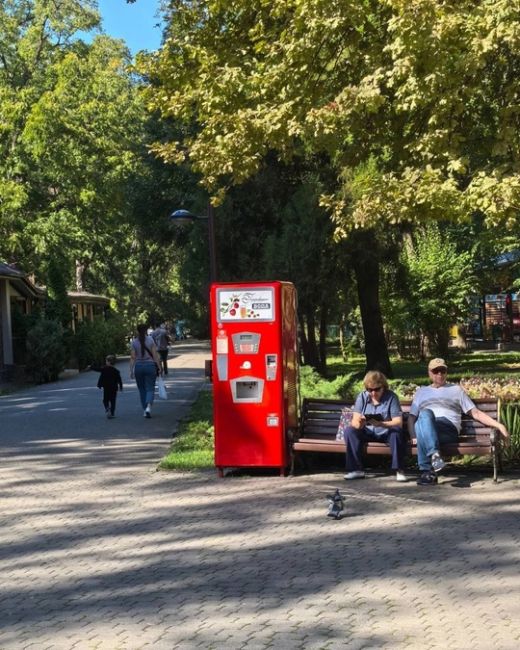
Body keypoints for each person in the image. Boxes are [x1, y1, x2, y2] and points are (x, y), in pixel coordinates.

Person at [408, 357, 510, 486]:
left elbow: (475, 413)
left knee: (423, 426)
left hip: (447, 429)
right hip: (426, 426)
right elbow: (412, 418)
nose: (440, 374)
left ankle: (427, 472)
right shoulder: (421, 392)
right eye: (436, 371)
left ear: (446, 372)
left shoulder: (456, 390)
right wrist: (413, 436)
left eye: (442, 371)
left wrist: (499, 425)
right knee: (425, 414)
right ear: (429, 372)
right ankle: (435, 456)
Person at [344, 370, 407, 482]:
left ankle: (399, 470)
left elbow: (398, 422)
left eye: (377, 389)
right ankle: (356, 470)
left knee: (396, 432)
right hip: (367, 431)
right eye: (370, 389)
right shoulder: (362, 397)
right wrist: (360, 423)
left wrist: (381, 424)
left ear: (383, 387)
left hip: (386, 432)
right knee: (350, 431)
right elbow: (354, 421)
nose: (373, 393)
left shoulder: (391, 397)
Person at [130, 323, 163, 418]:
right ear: (145, 330)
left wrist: (131, 370)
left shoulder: (134, 342)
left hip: (139, 367)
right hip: (150, 367)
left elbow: (132, 357)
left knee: (142, 389)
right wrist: (159, 367)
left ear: (137, 331)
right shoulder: (151, 340)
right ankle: (148, 407)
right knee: (150, 388)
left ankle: (145, 410)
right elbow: (155, 355)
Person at [96, 354, 123, 419]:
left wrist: (91, 367)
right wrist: (121, 387)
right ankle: (112, 413)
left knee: (105, 400)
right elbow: (119, 380)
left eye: (106, 361)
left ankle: (107, 408)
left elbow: (98, 370)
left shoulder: (104, 369)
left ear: (108, 362)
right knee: (113, 401)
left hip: (106, 387)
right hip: (114, 388)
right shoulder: (116, 371)